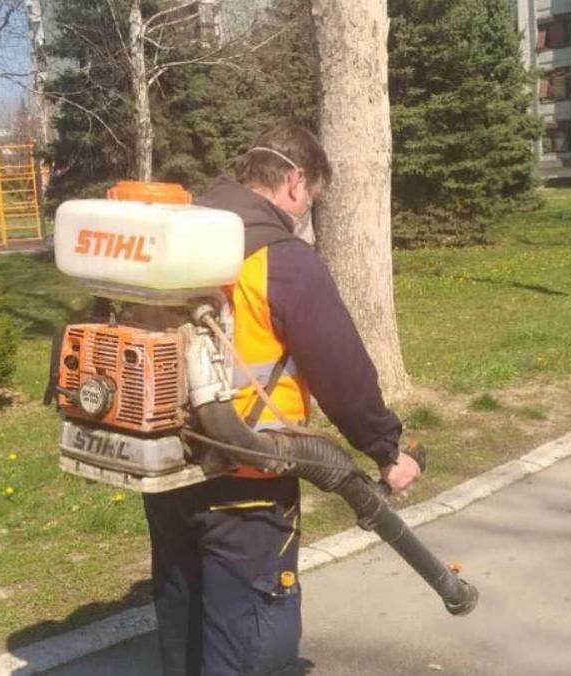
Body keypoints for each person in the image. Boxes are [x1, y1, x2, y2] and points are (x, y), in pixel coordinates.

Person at [142, 122, 422, 676]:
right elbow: (340, 369)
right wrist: (387, 450)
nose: (304, 213)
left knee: (184, 624)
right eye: (309, 200)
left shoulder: (177, 239)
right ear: (294, 181)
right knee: (249, 639)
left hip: (169, 472)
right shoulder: (280, 258)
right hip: (248, 479)